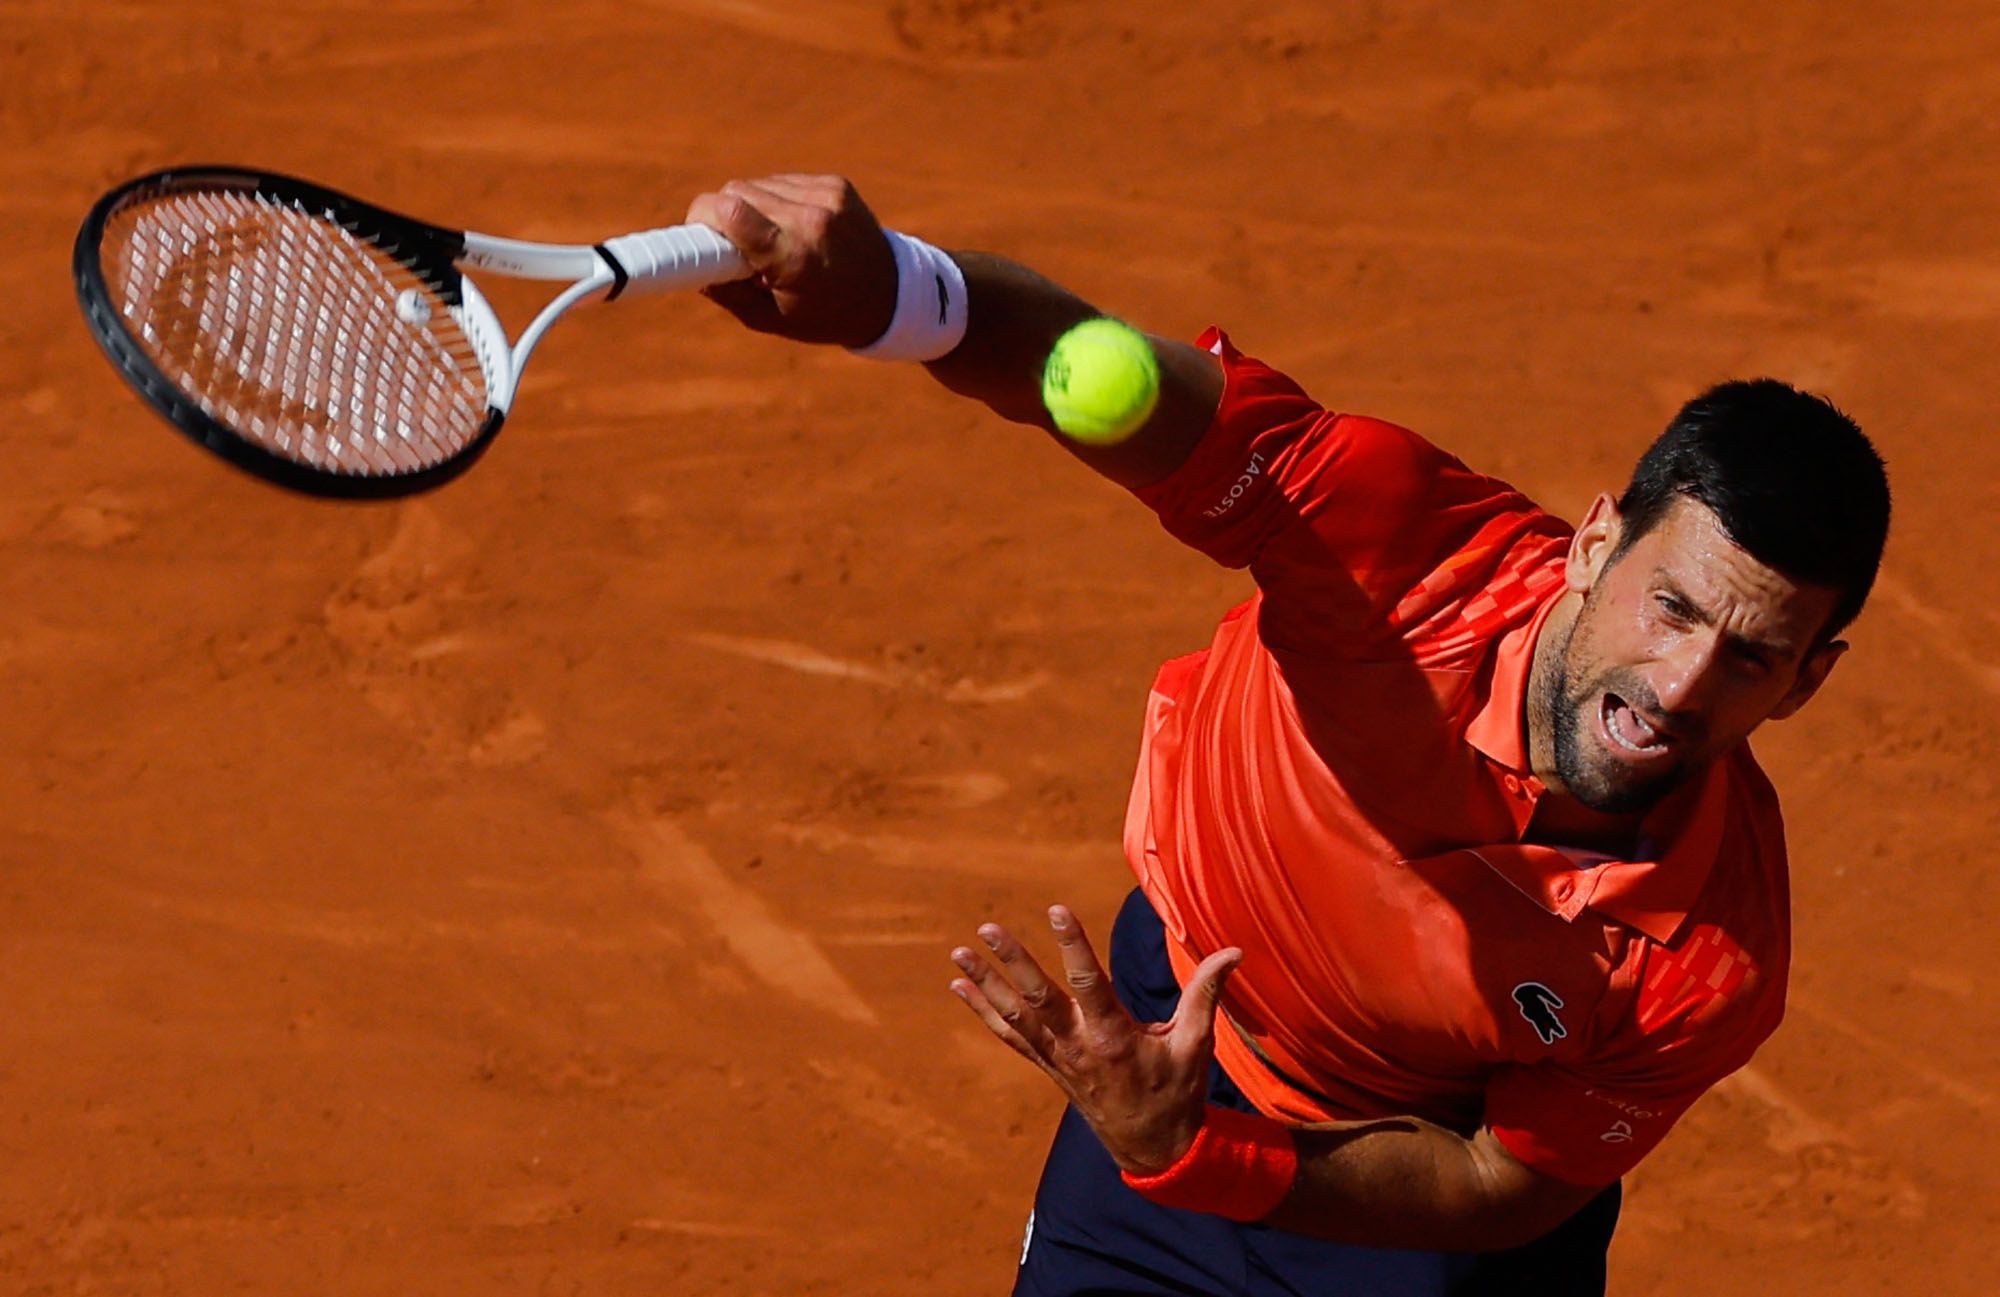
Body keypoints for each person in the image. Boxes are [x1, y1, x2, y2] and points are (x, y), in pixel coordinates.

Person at [682, 174, 1892, 1296]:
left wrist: (1199, 1153)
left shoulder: (1709, 958)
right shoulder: (1400, 549)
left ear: (1804, 681)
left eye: (1750, 654)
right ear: (1589, 548)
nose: (1681, 686)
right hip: (1167, 1052)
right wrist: (890, 290)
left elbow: (1495, 1186)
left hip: (1406, 1213)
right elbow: (1111, 386)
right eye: (1670, 606)